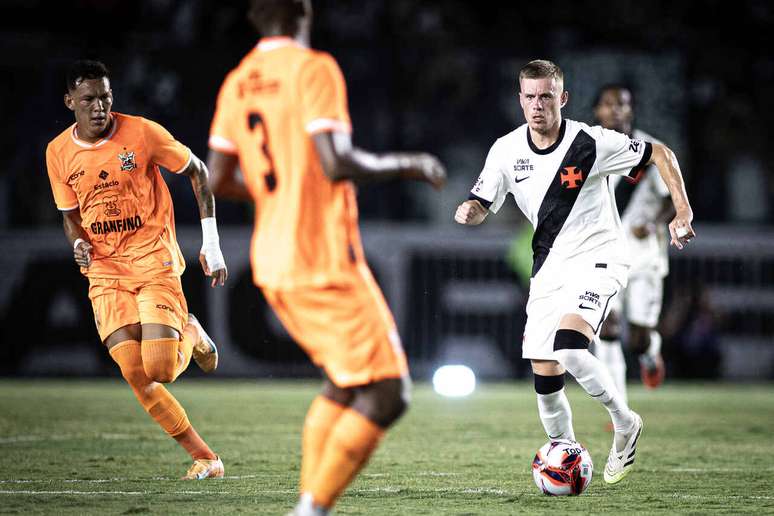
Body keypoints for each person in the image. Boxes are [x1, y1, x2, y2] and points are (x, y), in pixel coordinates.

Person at [206, 1, 446, 514]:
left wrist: (280, 193)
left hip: (271, 261)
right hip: (322, 259)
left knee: (345, 382)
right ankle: (311, 510)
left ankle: (308, 506)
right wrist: (408, 163)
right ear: (302, 10)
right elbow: (336, 162)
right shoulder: (314, 68)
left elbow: (218, 178)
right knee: (388, 393)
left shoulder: (238, 80)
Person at [454, 60, 694, 484]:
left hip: (600, 258)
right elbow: (480, 201)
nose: (537, 105)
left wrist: (681, 209)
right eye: (529, 96)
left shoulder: (591, 142)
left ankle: (625, 423)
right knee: (545, 380)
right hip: (549, 269)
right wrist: (470, 211)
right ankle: (566, 458)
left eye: (546, 96)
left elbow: (660, 153)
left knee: (569, 349)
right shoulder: (506, 150)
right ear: (520, 100)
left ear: (562, 98)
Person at [45, 60, 228, 480]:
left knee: (161, 367)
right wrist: (77, 243)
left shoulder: (142, 133)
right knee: (135, 372)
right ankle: (206, 458)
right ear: (70, 101)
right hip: (105, 269)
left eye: (105, 97)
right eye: (88, 99)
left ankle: (192, 331)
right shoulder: (57, 152)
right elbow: (69, 213)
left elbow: (198, 172)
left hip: (151, 258)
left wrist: (211, 243)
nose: (98, 107)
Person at [593, 84, 673, 398]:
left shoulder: (652, 149)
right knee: (607, 329)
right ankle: (619, 407)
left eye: (621, 104)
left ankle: (650, 351)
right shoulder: (588, 147)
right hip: (603, 255)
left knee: (637, 337)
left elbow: (670, 200)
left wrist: (654, 223)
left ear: (631, 110)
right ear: (597, 110)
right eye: (607, 103)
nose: (614, 109)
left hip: (644, 256)